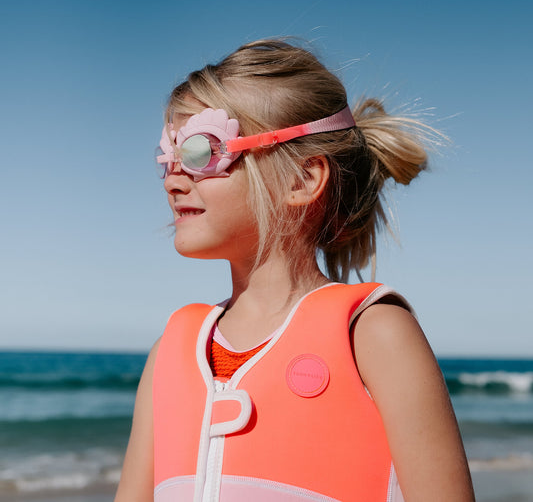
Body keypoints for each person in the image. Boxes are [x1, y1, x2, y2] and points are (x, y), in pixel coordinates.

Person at [115, 39, 475, 502]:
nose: (173, 177)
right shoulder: (169, 354)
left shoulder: (372, 333)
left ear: (302, 180)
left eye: (200, 153)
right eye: (168, 155)